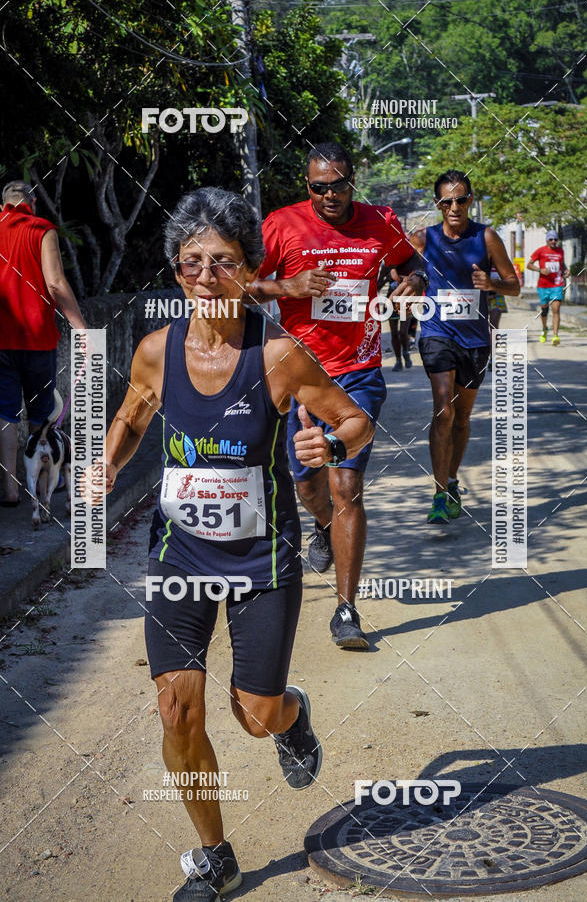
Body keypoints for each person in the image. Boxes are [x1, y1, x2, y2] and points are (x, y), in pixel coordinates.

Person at [83, 188, 373, 902]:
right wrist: (107, 464)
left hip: (260, 559)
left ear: (251, 270)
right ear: (176, 269)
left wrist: (330, 443)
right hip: (178, 555)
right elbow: (131, 417)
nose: (207, 276)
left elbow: (355, 419)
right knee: (177, 709)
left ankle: (290, 715)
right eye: (192, 262)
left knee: (254, 714)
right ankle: (215, 855)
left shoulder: (279, 356)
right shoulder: (157, 351)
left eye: (225, 262)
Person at [247, 142, 426, 649]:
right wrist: (289, 286)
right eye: (319, 187)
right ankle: (324, 525)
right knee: (308, 487)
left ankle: (346, 611)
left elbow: (413, 262)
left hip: (359, 373)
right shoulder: (282, 224)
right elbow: (242, 286)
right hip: (300, 376)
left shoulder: (380, 221)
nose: (329, 195)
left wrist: (414, 279)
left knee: (346, 485)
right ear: (308, 186)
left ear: (352, 181)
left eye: (339, 185)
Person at [410, 170, 520, 524]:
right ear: (438, 204)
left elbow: (514, 285)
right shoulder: (422, 238)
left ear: (470, 200)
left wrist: (491, 283)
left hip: (475, 340)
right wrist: (411, 280)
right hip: (436, 332)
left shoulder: (486, 237)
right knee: (443, 410)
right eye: (447, 201)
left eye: (460, 200)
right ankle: (439, 493)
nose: (454, 207)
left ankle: (452, 479)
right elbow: (398, 268)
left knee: (461, 418)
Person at [0, 180, 86, 505]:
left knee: (5, 413)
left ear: (3, 205)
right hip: (38, 338)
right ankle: (40, 487)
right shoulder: (42, 229)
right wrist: (80, 328)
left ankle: (10, 490)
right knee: (40, 412)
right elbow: (56, 283)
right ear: (32, 203)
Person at [527, 230, 568, 345]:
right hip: (543, 285)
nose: (553, 241)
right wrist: (540, 270)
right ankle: (545, 328)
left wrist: (566, 270)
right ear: (547, 240)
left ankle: (555, 336)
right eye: (551, 239)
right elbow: (529, 265)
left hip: (557, 284)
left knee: (556, 309)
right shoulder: (541, 251)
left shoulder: (560, 251)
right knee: (544, 310)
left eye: (555, 239)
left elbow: (562, 264)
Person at [487, 266, 508, 370]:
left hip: (497, 296)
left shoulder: (499, 260)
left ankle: (493, 358)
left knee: (493, 327)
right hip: (480, 295)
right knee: (479, 327)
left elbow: (509, 279)